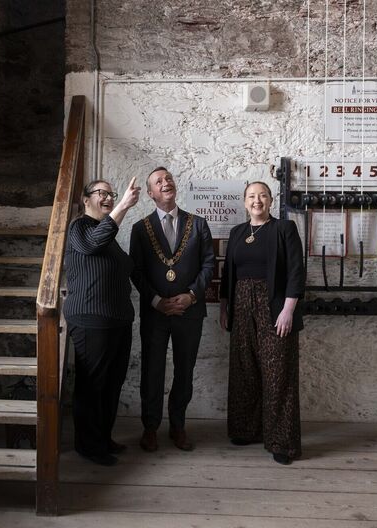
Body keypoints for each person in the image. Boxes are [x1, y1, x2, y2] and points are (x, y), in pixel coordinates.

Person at [218, 181, 305, 465]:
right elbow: (228, 272)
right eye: (252, 196)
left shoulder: (284, 229)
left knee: (278, 372)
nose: (257, 200)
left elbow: (295, 271)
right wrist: (224, 306)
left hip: (275, 307)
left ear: (270, 200)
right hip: (240, 305)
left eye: (263, 196)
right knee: (244, 368)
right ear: (244, 202)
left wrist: (288, 310)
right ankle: (246, 430)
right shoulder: (237, 233)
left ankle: (282, 442)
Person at [129, 167, 214, 452]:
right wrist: (156, 301)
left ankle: (178, 426)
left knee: (184, 371)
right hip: (155, 313)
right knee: (152, 371)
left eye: (168, 178)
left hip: (189, 312)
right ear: (151, 193)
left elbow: (208, 265)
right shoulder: (140, 229)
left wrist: (191, 296)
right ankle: (150, 428)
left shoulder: (199, 224)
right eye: (158, 181)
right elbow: (136, 271)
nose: (166, 183)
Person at [64, 177, 141, 466]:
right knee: (92, 385)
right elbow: (91, 246)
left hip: (117, 320)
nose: (108, 197)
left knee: (112, 383)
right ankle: (88, 446)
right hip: (90, 318)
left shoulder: (107, 234)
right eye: (102, 193)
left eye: (112, 194)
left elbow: (123, 264)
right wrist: (122, 206)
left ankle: (103, 439)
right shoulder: (79, 227)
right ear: (86, 199)